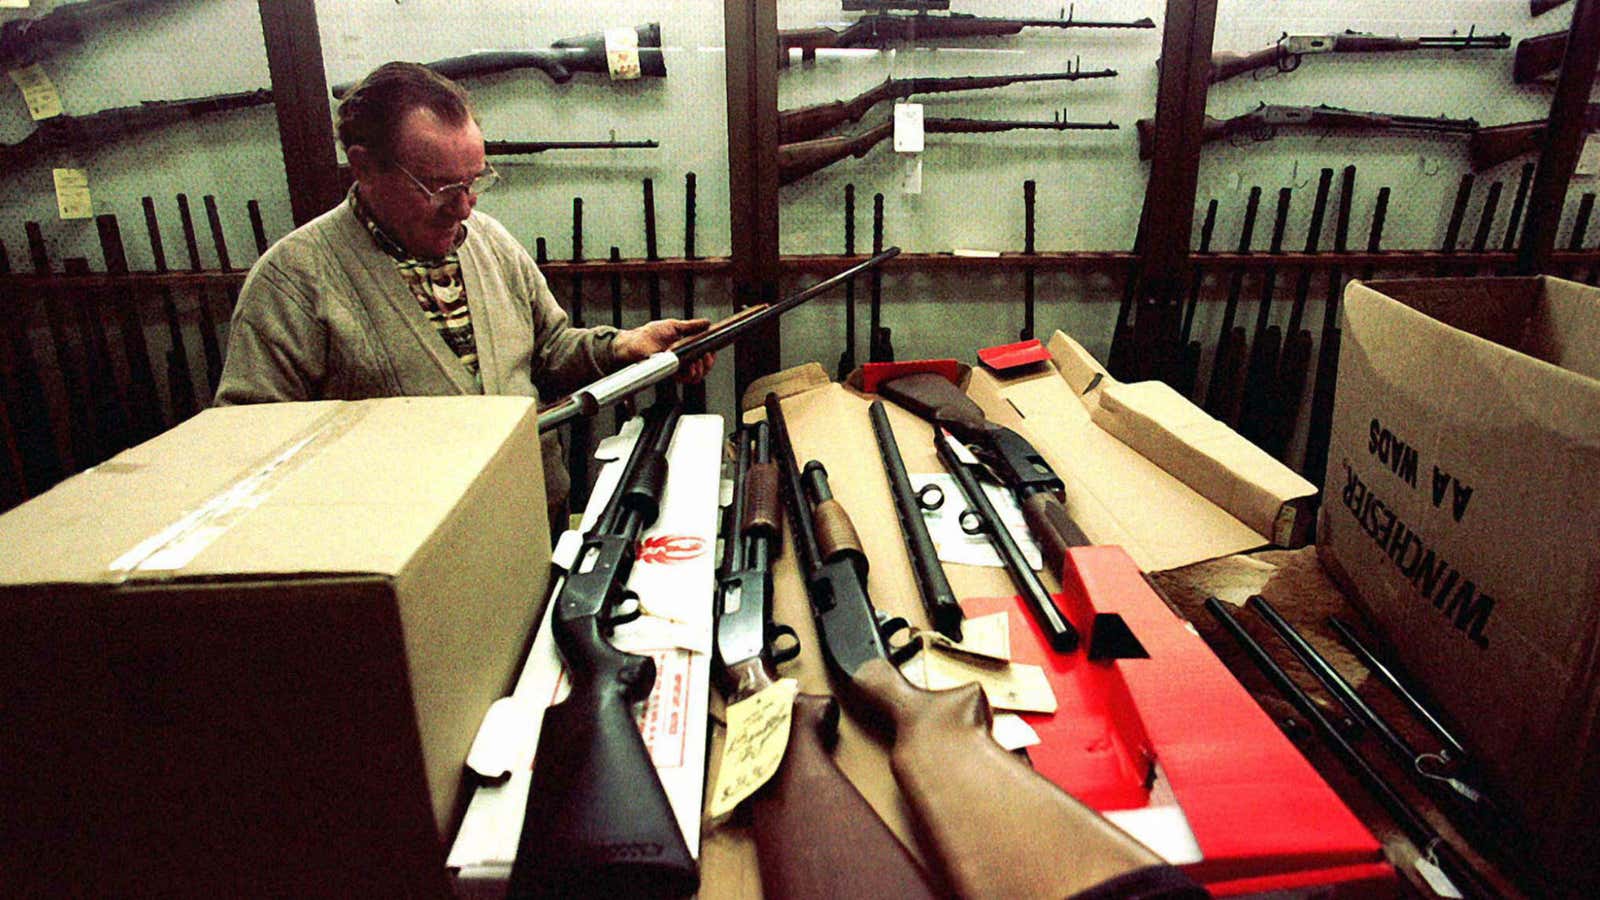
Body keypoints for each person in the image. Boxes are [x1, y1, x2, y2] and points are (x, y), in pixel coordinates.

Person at [214, 61, 711, 528]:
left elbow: (549, 351)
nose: (464, 208)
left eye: (473, 183)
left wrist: (627, 347)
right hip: (410, 558)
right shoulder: (293, 279)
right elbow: (250, 448)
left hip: (535, 519)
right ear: (363, 166)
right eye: (438, 187)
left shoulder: (490, 242)